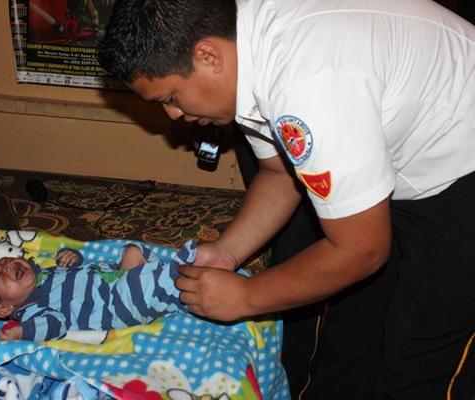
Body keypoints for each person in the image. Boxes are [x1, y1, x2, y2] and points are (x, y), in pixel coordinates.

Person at [98, 1, 475, 399]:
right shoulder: (247, 41)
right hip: (413, 144)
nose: (173, 114)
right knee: (361, 322)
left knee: (420, 364)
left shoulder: (305, 85)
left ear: (207, 55)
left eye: (171, 96)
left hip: (462, 170)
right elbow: (280, 173)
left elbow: (362, 249)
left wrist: (246, 297)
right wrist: (227, 251)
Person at [0, 241, 196, 341]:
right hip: (114, 308)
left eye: (4, 260)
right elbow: (54, 325)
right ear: (5, 307)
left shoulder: (44, 273)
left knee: (133, 251)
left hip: (114, 279)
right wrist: (22, 332)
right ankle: (182, 285)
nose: (6, 265)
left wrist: (72, 256)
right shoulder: (31, 311)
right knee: (139, 285)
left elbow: (77, 270)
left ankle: (169, 286)